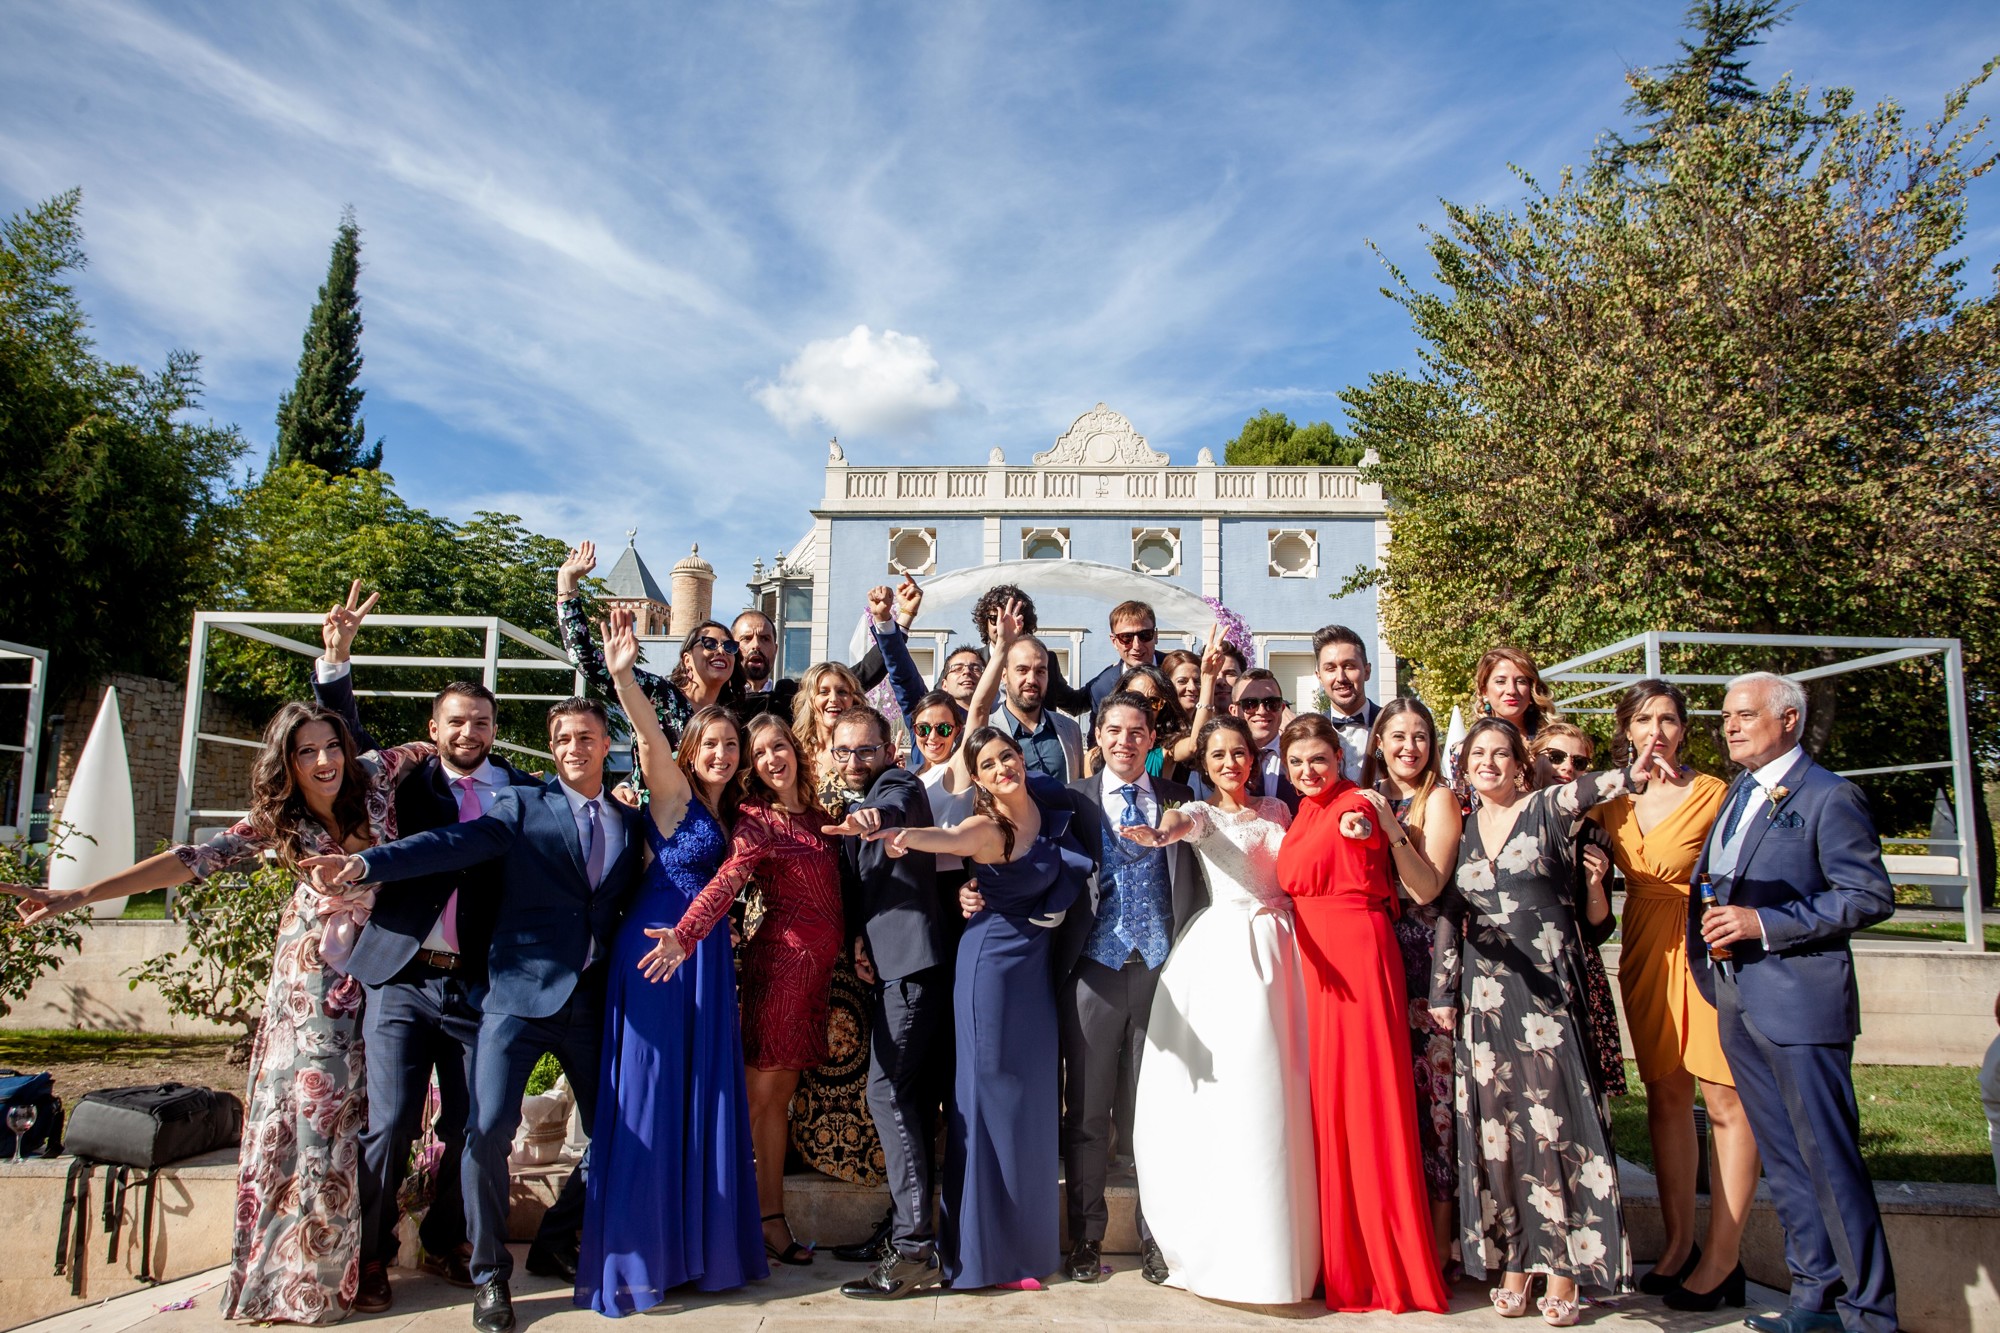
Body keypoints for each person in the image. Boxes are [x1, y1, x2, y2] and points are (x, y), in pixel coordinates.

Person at [9, 704, 433, 1325]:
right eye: (306, 751)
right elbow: (189, 860)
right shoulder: (276, 821)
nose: (324, 761)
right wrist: (79, 893)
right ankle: (304, 1275)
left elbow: (432, 747)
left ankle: (371, 1249)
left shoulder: (376, 777)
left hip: (389, 966)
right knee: (314, 1115)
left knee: (379, 1111)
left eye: (330, 746)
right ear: (286, 763)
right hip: (315, 977)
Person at [305, 695, 646, 1333]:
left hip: (594, 1003)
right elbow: (445, 843)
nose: (575, 747)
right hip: (515, 1001)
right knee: (485, 1131)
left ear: (608, 745)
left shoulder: (631, 823)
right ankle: (490, 1277)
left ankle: (556, 1236)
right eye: (564, 738)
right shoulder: (520, 805)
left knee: (619, 1135)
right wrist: (364, 863)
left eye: (587, 737)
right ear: (553, 748)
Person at [310, 584, 542, 1307]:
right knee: (392, 1124)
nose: (468, 731)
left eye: (480, 720)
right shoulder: (404, 784)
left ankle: (445, 1239)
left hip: (478, 985)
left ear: (494, 729)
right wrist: (336, 662)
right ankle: (373, 1254)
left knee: (477, 1121)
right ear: (433, 726)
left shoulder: (520, 790)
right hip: (401, 978)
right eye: (456, 720)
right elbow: (343, 746)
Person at [1432, 718, 1662, 1325]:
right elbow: (1450, 912)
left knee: (1558, 1126)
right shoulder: (1464, 827)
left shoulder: (1546, 808)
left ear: (1519, 763)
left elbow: (1587, 790)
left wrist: (1631, 773)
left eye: (1500, 754)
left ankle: (1566, 1266)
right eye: (1478, 753)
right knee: (1501, 1130)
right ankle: (1516, 1260)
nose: (1489, 762)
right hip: (1484, 998)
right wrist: (1442, 990)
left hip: (1548, 1002)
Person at [1691, 672, 1897, 1333]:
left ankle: (1869, 1314)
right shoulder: (1737, 796)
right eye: (1725, 715)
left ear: (1789, 719)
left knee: (1829, 1159)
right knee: (1784, 1158)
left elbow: (1867, 894)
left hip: (1801, 1003)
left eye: (1745, 714)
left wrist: (1765, 924)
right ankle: (1815, 1297)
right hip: (1737, 998)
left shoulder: (1830, 795)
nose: (1730, 725)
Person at [577, 617, 766, 1314]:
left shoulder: (731, 813)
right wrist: (624, 675)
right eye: (708, 742)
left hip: (706, 958)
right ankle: (638, 1259)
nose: (719, 750)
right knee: (652, 1105)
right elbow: (650, 736)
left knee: (702, 1102)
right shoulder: (673, 792)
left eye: (729, 743)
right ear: (689, 749)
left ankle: (696, 1254)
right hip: (658, 955)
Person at [866, 728, 1090, 1291]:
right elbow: (947, 837)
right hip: (989, 970)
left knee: (1031, 1101)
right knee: (988, 1101)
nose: (1000, 769)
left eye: (1005, 757)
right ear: (980, 779)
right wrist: (900, 835)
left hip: (1033, 975)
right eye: (986, 765)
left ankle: (1028, 1249)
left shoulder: (1049, 799)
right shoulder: (987, 826)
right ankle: (982, 1255)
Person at [1123, 715, 1319, 1304]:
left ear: (1253, 758)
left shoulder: (1281, 812)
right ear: (1203, 765)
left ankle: (1298, 1242)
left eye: (1239, 752)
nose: (1231, 762)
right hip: (1230, 953)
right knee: (1244, 1089)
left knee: (1291, 1089)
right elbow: (1179, 822)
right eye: (1218, 755)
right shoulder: (1202, 813)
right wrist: (1162, 833)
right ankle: (1233, 1243)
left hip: (1289, 948)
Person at [647, 712, 843, 1269]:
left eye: (779, 746)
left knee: (775, 1102)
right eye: (759, 754)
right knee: (763, 1106)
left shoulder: (822, 815)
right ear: (752, 768)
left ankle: (757, 1220)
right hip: (779, 972)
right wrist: (684, 935)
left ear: (796, 749)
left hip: (815, 980)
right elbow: (728, 879)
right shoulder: (757, 820)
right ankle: (763, 1222)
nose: (772, 758)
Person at [1588, 679, 1761, 1311]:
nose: (1655, 731)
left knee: (1725, 1097)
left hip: (1702, 943)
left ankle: (1725, 1254)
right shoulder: (1612, 800)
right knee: (1666, 1093)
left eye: (1666, 719)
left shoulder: (1715, 792)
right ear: (1626, 730)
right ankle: (1681, 1244)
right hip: (1642, 946)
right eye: (1642, 720)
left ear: (1684, 729)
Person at [1274, 714, 1449, 1314]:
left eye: (1318, 760)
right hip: (1315, 970)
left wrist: (1370, 825)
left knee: (1369, 1102)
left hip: (1357, 959)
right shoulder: (1303, 812)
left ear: (1340, 759)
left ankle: (1384, 1265)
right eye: (1296, 763)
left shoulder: (1357, 805)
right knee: (1331, 1105)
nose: (1307, 772)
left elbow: (1370, 845)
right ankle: (1342, 1257)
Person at [1050, 691, 1207, 1286]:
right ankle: (1086, 1237)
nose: (1124, 740)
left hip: (1161, 975)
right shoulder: (1074, 802)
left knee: (1154, 1116)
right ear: (1098, 738)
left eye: (1136, 730)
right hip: (1093, 970)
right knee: (1088, 1113)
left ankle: (1156, 1237)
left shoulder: (1180, 801)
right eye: (1113, 730)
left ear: (1151, 739)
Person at [816, 706, 955, 1300]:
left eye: (865, 751)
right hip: (888, 968)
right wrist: (855, 939)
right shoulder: (844, 799)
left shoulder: (899, 789)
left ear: (889, 749)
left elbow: (894, 807)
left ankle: (915, 1248)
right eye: (843, 752)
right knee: (913, 1102)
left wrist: (874, 815)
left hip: (914, 970)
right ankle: (907, 1231)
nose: (854, 763)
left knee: (886, 1092)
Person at [1359, 697, 1462, 1267]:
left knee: (1434, 1103)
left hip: (1426, 964)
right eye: (1397, 736)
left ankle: (1440, 1243)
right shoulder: (1366, 796)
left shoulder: (1439, 799)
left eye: (1420, 736)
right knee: (1390, 1098)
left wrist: (1393, 830)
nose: (1408, 747)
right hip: (1374, 959)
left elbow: (1426, 889)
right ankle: (1393, 1232)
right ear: (1379, 743)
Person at [556, 540, 746, 749]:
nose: (721, 651)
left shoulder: (733, 714)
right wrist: (567, 584)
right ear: (687, 659)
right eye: (709, 644)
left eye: (729, 647)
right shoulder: (660, 695)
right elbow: (587, 660)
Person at [1528, 725, 1627, 1104]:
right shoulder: (1495, 819)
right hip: (1518, 965)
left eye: (1578, 761)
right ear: (1532, 758)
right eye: (1555, 756)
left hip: (1575, 970)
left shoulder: (1593, 836)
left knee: (1578, 1093)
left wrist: (1597, 883)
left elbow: (1598, 928)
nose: (1567, 767)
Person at [989, 602, 1084, 782]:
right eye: (1022, 670)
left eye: (1040, 671)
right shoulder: (985, 730)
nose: (1032, 680)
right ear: (1004, 675)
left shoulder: (1070, 731)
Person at [1190, 668, 1298, 814]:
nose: (1262, 711)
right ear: (1234, 710)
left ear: (1282, 708)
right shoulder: (1209, 766)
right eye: (1250, 704)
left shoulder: (1302, 759)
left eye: (1271, 703)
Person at [1313, 624, 1381, 784]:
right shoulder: (1313, 733)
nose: (1341, 677)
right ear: (1319, 677)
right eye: (1330, 668)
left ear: (1367, 671)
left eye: (1349, 666)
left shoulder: (1389, 725)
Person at [792, 660, 865, 789]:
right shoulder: (795, 749)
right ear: (810, 701)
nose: (834, 699)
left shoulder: (864, 752)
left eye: (842, 692)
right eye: (824, 692)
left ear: (853, 700)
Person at [730, 607, 802, 721]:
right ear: (732, 648)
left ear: (776, 649)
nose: (756, 645)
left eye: (765, 639)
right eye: (746, 638)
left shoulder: (794, 705)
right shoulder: (718, 701)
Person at [1473, 646, 1556, 740]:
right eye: (1500, 681)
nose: (1511, 691)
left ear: (1532, 690)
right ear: (1484, 691)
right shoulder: (1467, 749)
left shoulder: (1555, 744)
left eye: (1521, 681)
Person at [1160, 648, 1201, 717]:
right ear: (1166, 684)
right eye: (1182, 681)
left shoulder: (1211, 723)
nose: (1192, 688)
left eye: (1197, 681)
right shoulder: (1156, 725)